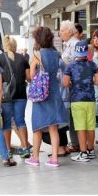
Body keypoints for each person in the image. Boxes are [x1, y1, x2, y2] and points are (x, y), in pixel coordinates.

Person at [25, 26, 68, 167]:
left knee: (37, 127)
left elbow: (31, 76)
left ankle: (35, 158)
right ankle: (54, 159)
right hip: (54, 94)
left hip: (41, 96)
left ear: (38, 39)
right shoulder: (56, 55)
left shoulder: (37, 55)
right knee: (53, 128)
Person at [63, 41, 98, 162]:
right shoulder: (92, 65)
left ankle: (83, 153)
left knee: (80, 127)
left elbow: (65, 83)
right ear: (86, 52)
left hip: (77, 99)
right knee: (90, 126)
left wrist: (74, 84)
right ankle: (90, 150)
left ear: (76, 51)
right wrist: (89, 83)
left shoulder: (70, 66)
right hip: (90, 99)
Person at [0, 35, 31, 159]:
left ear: (4, 46)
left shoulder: (0, 59)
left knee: (6, 123)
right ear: (15, 45)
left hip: (6, 96)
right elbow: (29, 78)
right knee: (20, 121)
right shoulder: (22, 58)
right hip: (21, 94)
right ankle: (25, 148)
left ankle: (8, 150)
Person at [59, 20, 80, 153]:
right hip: (67, 85)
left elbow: (77, 64)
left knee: (75, 115)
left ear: (69, 31)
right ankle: (75, 142)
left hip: (74, 85)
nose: (60, 33)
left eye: (62, 30)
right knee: (71, 116)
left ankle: (78, 143)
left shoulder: (75, 44)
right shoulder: (66, 45)